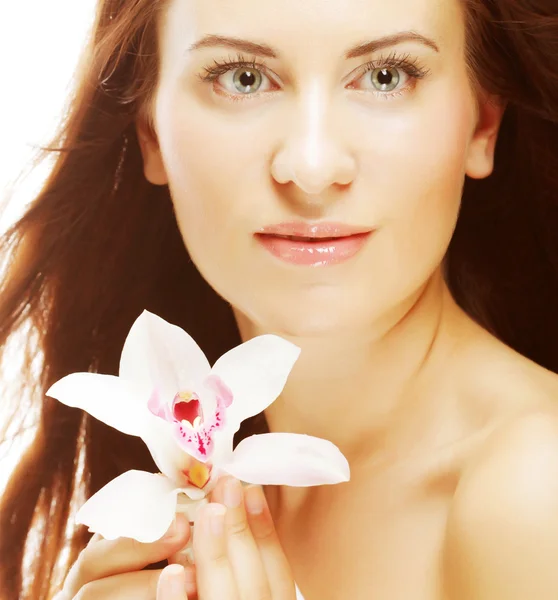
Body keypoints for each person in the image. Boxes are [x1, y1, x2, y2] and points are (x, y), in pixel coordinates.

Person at [1, 0, 558, 597]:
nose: (312, 167)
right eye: (242, 77)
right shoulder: (193, 512)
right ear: (150, 131)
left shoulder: (534, 493)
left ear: (482, 123)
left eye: (386, 75)